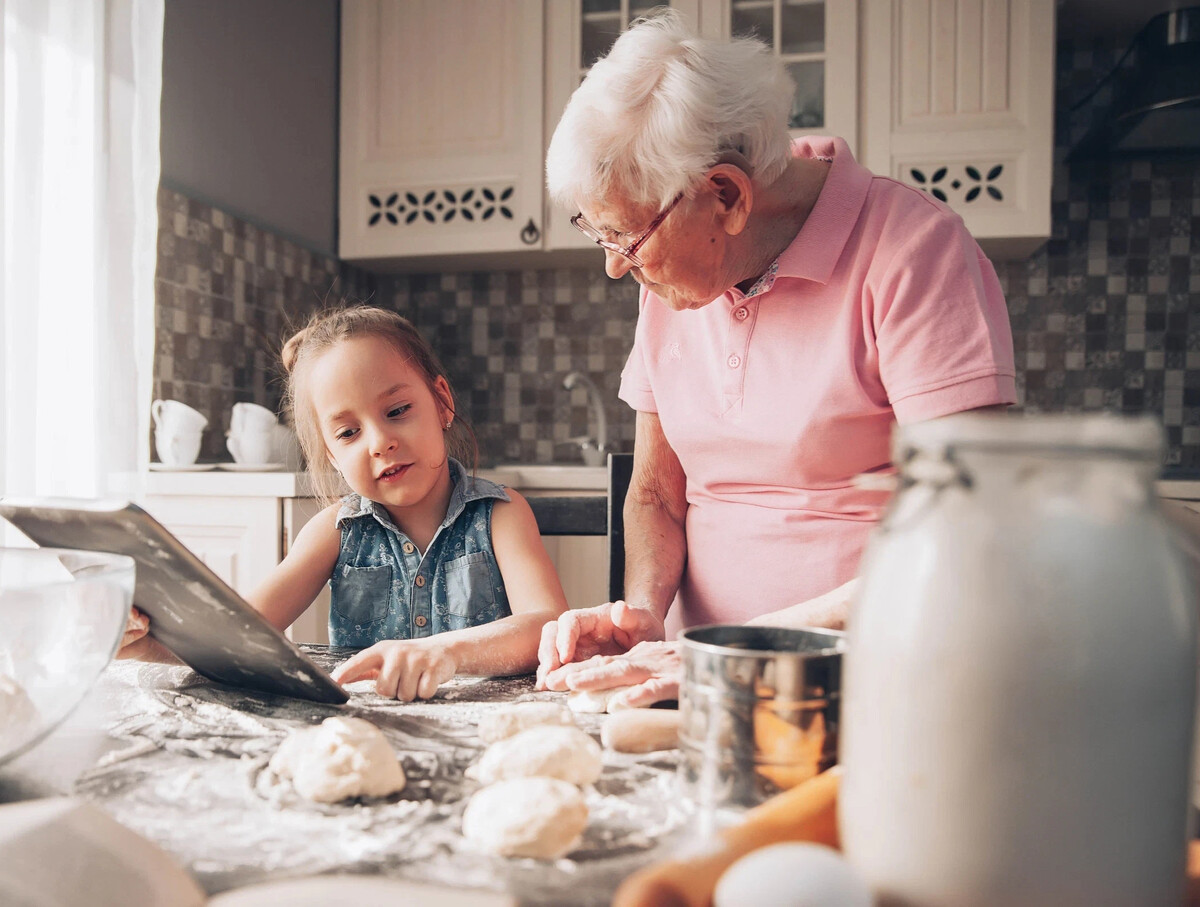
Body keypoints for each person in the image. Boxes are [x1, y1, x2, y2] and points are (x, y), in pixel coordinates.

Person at [536, 11, 1016, 706]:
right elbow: (656, 493)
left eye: (627, 239)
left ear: (725, 195)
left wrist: (734, 653)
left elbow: (965, 532)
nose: (615, 268)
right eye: (601, 236)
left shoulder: (915, 252)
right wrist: (643, 613)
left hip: (874, 687)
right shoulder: (676, 279)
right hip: (695, 681)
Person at [121, 305, 569, 701]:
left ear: (442, 402)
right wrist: (143, 643)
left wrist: (443, 652)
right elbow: (238, 636)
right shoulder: (333, 531)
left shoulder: (502, 514)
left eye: (397, 411)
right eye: (348, 433)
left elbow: (547, 626)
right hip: (370, 731)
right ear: (331, 455)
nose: (380, 442)